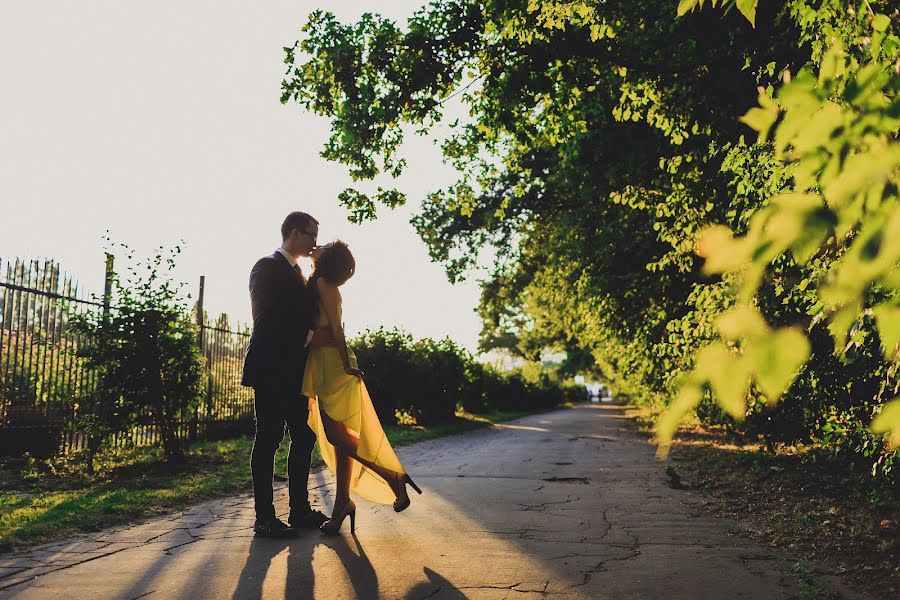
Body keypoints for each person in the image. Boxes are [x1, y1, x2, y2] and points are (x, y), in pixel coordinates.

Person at [302, 240, 421, 535]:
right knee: (343, 439)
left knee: (335, 434)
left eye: (324, 245)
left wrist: (344, 364)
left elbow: (337, 328)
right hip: (324, 363)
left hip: (333, 366)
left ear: (329, 258)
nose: (318, 245)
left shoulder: (324, 284)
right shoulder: (319, 281)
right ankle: (343, 502)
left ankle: (392, 477)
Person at [241, 211, 333, 537]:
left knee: (304, 437)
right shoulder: (266, 268)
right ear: (295, 232)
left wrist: (320, 265)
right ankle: (264, 518)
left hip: (296, 372)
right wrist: (310, 338)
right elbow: (267, 319)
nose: (314, 241)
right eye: (312, 235)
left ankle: (299, 510)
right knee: (268, 439)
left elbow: (313, 307)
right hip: (270, 367)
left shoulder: (301, 274)